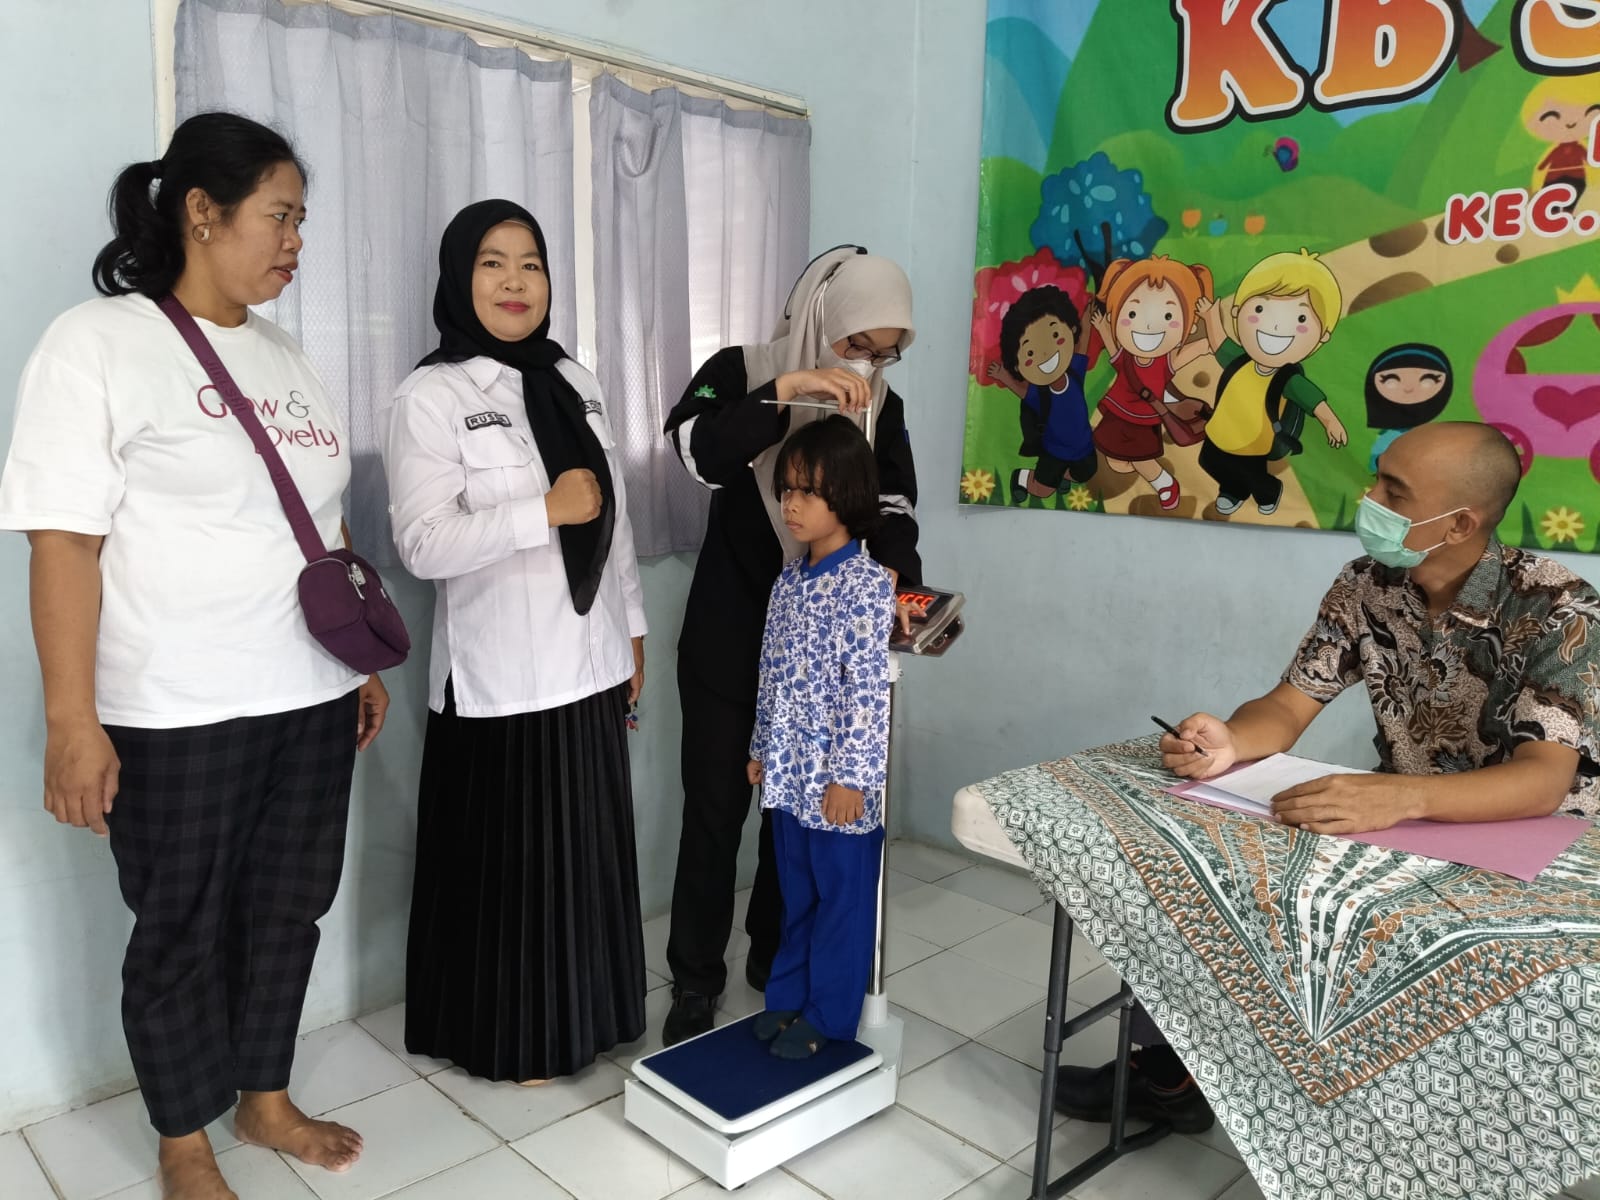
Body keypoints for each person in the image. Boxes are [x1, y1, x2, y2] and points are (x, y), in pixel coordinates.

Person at [0, 113, 390, 1200]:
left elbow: (321, 524)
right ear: (201, 213)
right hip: (174, 709)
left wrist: (355, 661)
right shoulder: (97, 343)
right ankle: (182, 1139)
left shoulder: (286, 356)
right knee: (179, 926)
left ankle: (263, 1096)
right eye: (280, 216)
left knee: (287, 907)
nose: (296, 240)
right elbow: (63, 544)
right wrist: (72, 722)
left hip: (308, 697)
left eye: (302, 220)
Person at [1057, 421, 1600, 1131]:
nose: (1369, 498)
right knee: (1218, 878)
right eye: (1378, 478)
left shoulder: (1558, 605)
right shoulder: (1366, 584)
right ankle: (1169, 1074)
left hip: (1535, 844)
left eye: (1393, 491)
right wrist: (1230, 741)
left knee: (1452, 983)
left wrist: (1398, 796)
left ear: (1460, 523)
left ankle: (1425, 1128)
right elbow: (1288, 705)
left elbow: (1543, 782)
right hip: (1399, 815)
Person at [382, 200, 648, 1084]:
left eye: (530, 263)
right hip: (501, 680)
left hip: (591, 659)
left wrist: (632, 630)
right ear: (461, 278)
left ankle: (594, 1020)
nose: (514, 282)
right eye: (492, 263)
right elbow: (423, 545)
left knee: (586, 861)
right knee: (516, 875)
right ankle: (515, 1039)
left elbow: (616, 520)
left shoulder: (576, 380)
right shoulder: (432, 395)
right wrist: (543, 512)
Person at [661, 246, 921, 1046]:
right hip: (731, 637)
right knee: (715, 812)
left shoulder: (882, 406)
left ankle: (777, 956)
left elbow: (893, 507)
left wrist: (899, 585)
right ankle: (695, 980)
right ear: (820, 319)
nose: (867, 365)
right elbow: (696, 451)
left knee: (798, 815)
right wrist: (786, 390)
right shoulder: (742, 369)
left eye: (886, 353)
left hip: (822, 652)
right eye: (855, 345)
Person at [747, 416, 895, 1059]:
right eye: (787, 489)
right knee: (797, 891)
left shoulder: (866, 586)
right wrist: (760, 747)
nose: (792, 504)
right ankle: (788, 998)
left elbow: (866, 693)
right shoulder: (787, 582)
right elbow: (771, 672)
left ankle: (830, 1017)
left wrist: (851, 779)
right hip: (788, 774)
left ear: (847, 493)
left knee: (841, 899)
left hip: (839, 782)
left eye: (808, 491)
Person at [1196, 249, 1349, 516]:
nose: (1275, 327)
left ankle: (1269, 490)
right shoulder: (1239, 359)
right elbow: (1219, 342)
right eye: (1260, 308)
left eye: (1301, 318)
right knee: (1208, 460)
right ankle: (1233, 490)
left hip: (1255, 442)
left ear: (1322, 336)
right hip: (1220, 430)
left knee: (1251, 474)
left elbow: (1313, 400)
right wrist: (1210, 317)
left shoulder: (1288, 378)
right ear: (1237, 311)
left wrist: (1331, 422)